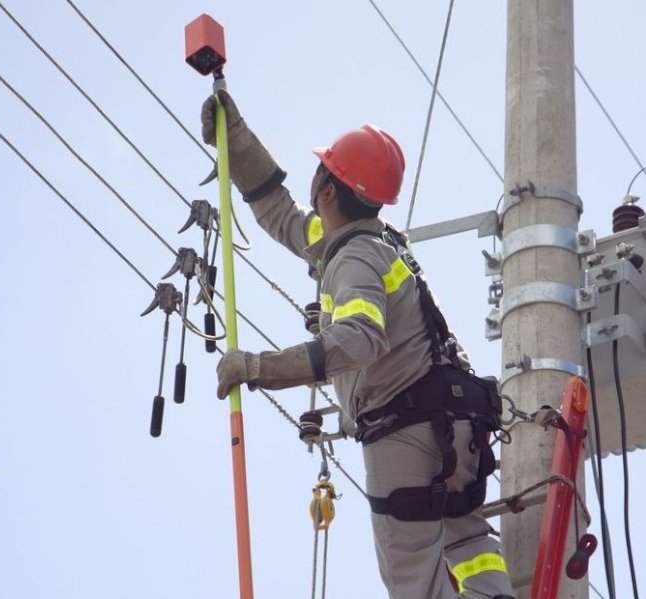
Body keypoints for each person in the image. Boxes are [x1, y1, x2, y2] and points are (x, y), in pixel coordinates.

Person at [202, 89, 516, 599]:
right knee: (469, 541)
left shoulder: (353, 259)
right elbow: (282, 214)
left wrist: (255, 367)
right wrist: (236, 142)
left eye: (322, 171)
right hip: (460, 429)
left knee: (412, 577)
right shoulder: (376, 243)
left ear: (328, 191)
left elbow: (357, 340)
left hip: (408, 430)